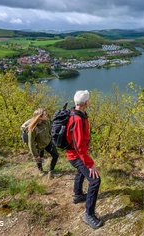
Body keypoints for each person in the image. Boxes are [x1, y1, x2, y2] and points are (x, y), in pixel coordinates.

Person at [66, 90, 104, 229]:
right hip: (76, 156)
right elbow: (79, 146)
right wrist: (90, 164)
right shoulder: (77, 119)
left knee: (81, 171)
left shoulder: (75, 114)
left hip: (74, 155)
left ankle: (77, 195)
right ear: (86, 103)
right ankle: (89, 215)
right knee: (95, 180)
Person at [27, 108, 59, 179]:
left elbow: (51, 128)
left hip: (47, 142)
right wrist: (35, 155)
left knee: (56, 155)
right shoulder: (33, 129)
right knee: (39, 159)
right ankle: (41, 171)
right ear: (40, 117)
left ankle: (51, 171)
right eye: (45, 114)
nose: (46, 115)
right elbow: (31, 144)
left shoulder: (46, 122)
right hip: (38, 147)